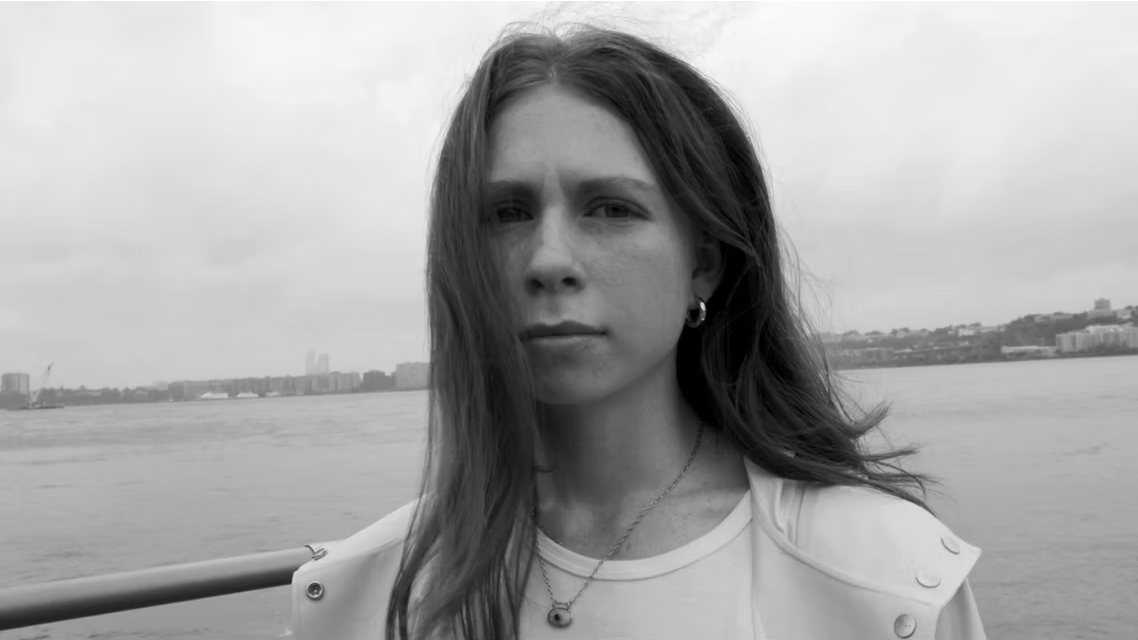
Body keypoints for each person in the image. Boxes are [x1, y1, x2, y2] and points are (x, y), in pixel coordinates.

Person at [292, 23, 986, 640]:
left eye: (612, 209)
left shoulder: (885, 586)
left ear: (703, 265)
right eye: (507, 213)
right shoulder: (368, 596)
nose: (549, 259)